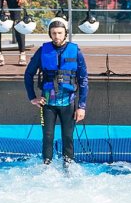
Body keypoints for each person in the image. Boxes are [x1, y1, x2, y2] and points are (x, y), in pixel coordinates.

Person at [24, 17, 88, 164]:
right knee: (47, 137)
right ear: (50, 34)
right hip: (48, 103)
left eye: (59, 33)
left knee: (67, 136)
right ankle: (46, 165)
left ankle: (68, 165)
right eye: (53, 33)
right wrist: (32, 97)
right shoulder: (42, 51)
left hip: (68, 103)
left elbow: (83, 79)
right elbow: (28, 74)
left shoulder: (75, 51)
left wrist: (81, 106)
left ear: (65, 33)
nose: (56, 36)